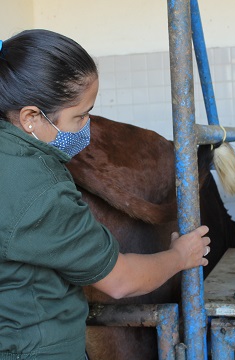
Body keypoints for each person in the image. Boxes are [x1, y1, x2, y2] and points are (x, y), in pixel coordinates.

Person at [0, 29, 211, 360]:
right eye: (80, 115)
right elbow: (120, 281)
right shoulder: (40, 187)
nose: (86, 126)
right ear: (30, 118)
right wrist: (180, 256)